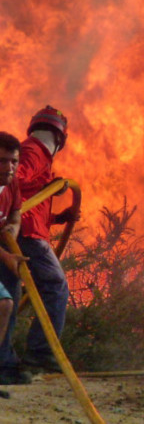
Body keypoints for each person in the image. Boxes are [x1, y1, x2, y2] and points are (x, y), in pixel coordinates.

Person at [10, 106, 78, 373]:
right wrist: (48, 187)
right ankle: (40, 352)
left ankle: (7, 360)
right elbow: (12, 181)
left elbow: (27, 205)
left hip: (22, 230)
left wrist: (58, 218)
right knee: (55, 285)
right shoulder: (34, 150)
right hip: (26, 235)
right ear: (60, 138)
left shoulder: (35, 152)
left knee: (11, 298)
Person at [0, 133, 31, 385]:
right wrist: (7, 257)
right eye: (1, 161)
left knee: (10, 299)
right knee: (4, 303)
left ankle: (5, 364)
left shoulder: (11, 183)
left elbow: (17, 213)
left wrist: (13, 228)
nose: (8, 167)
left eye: (13, 161)